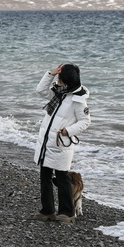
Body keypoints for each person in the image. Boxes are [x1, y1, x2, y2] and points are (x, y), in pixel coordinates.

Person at [33, 63, 90, 223]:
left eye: (60, 77)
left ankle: (67, 213)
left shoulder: (78, 100)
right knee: (44, 176)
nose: (58, 80)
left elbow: (85, 121)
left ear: (66, 80)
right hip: (46, 142)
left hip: (60, 143)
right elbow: (40, 91)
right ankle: (47, 211)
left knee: (62, 177)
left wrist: (68, 131)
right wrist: (50, 73)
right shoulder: (58, 93)